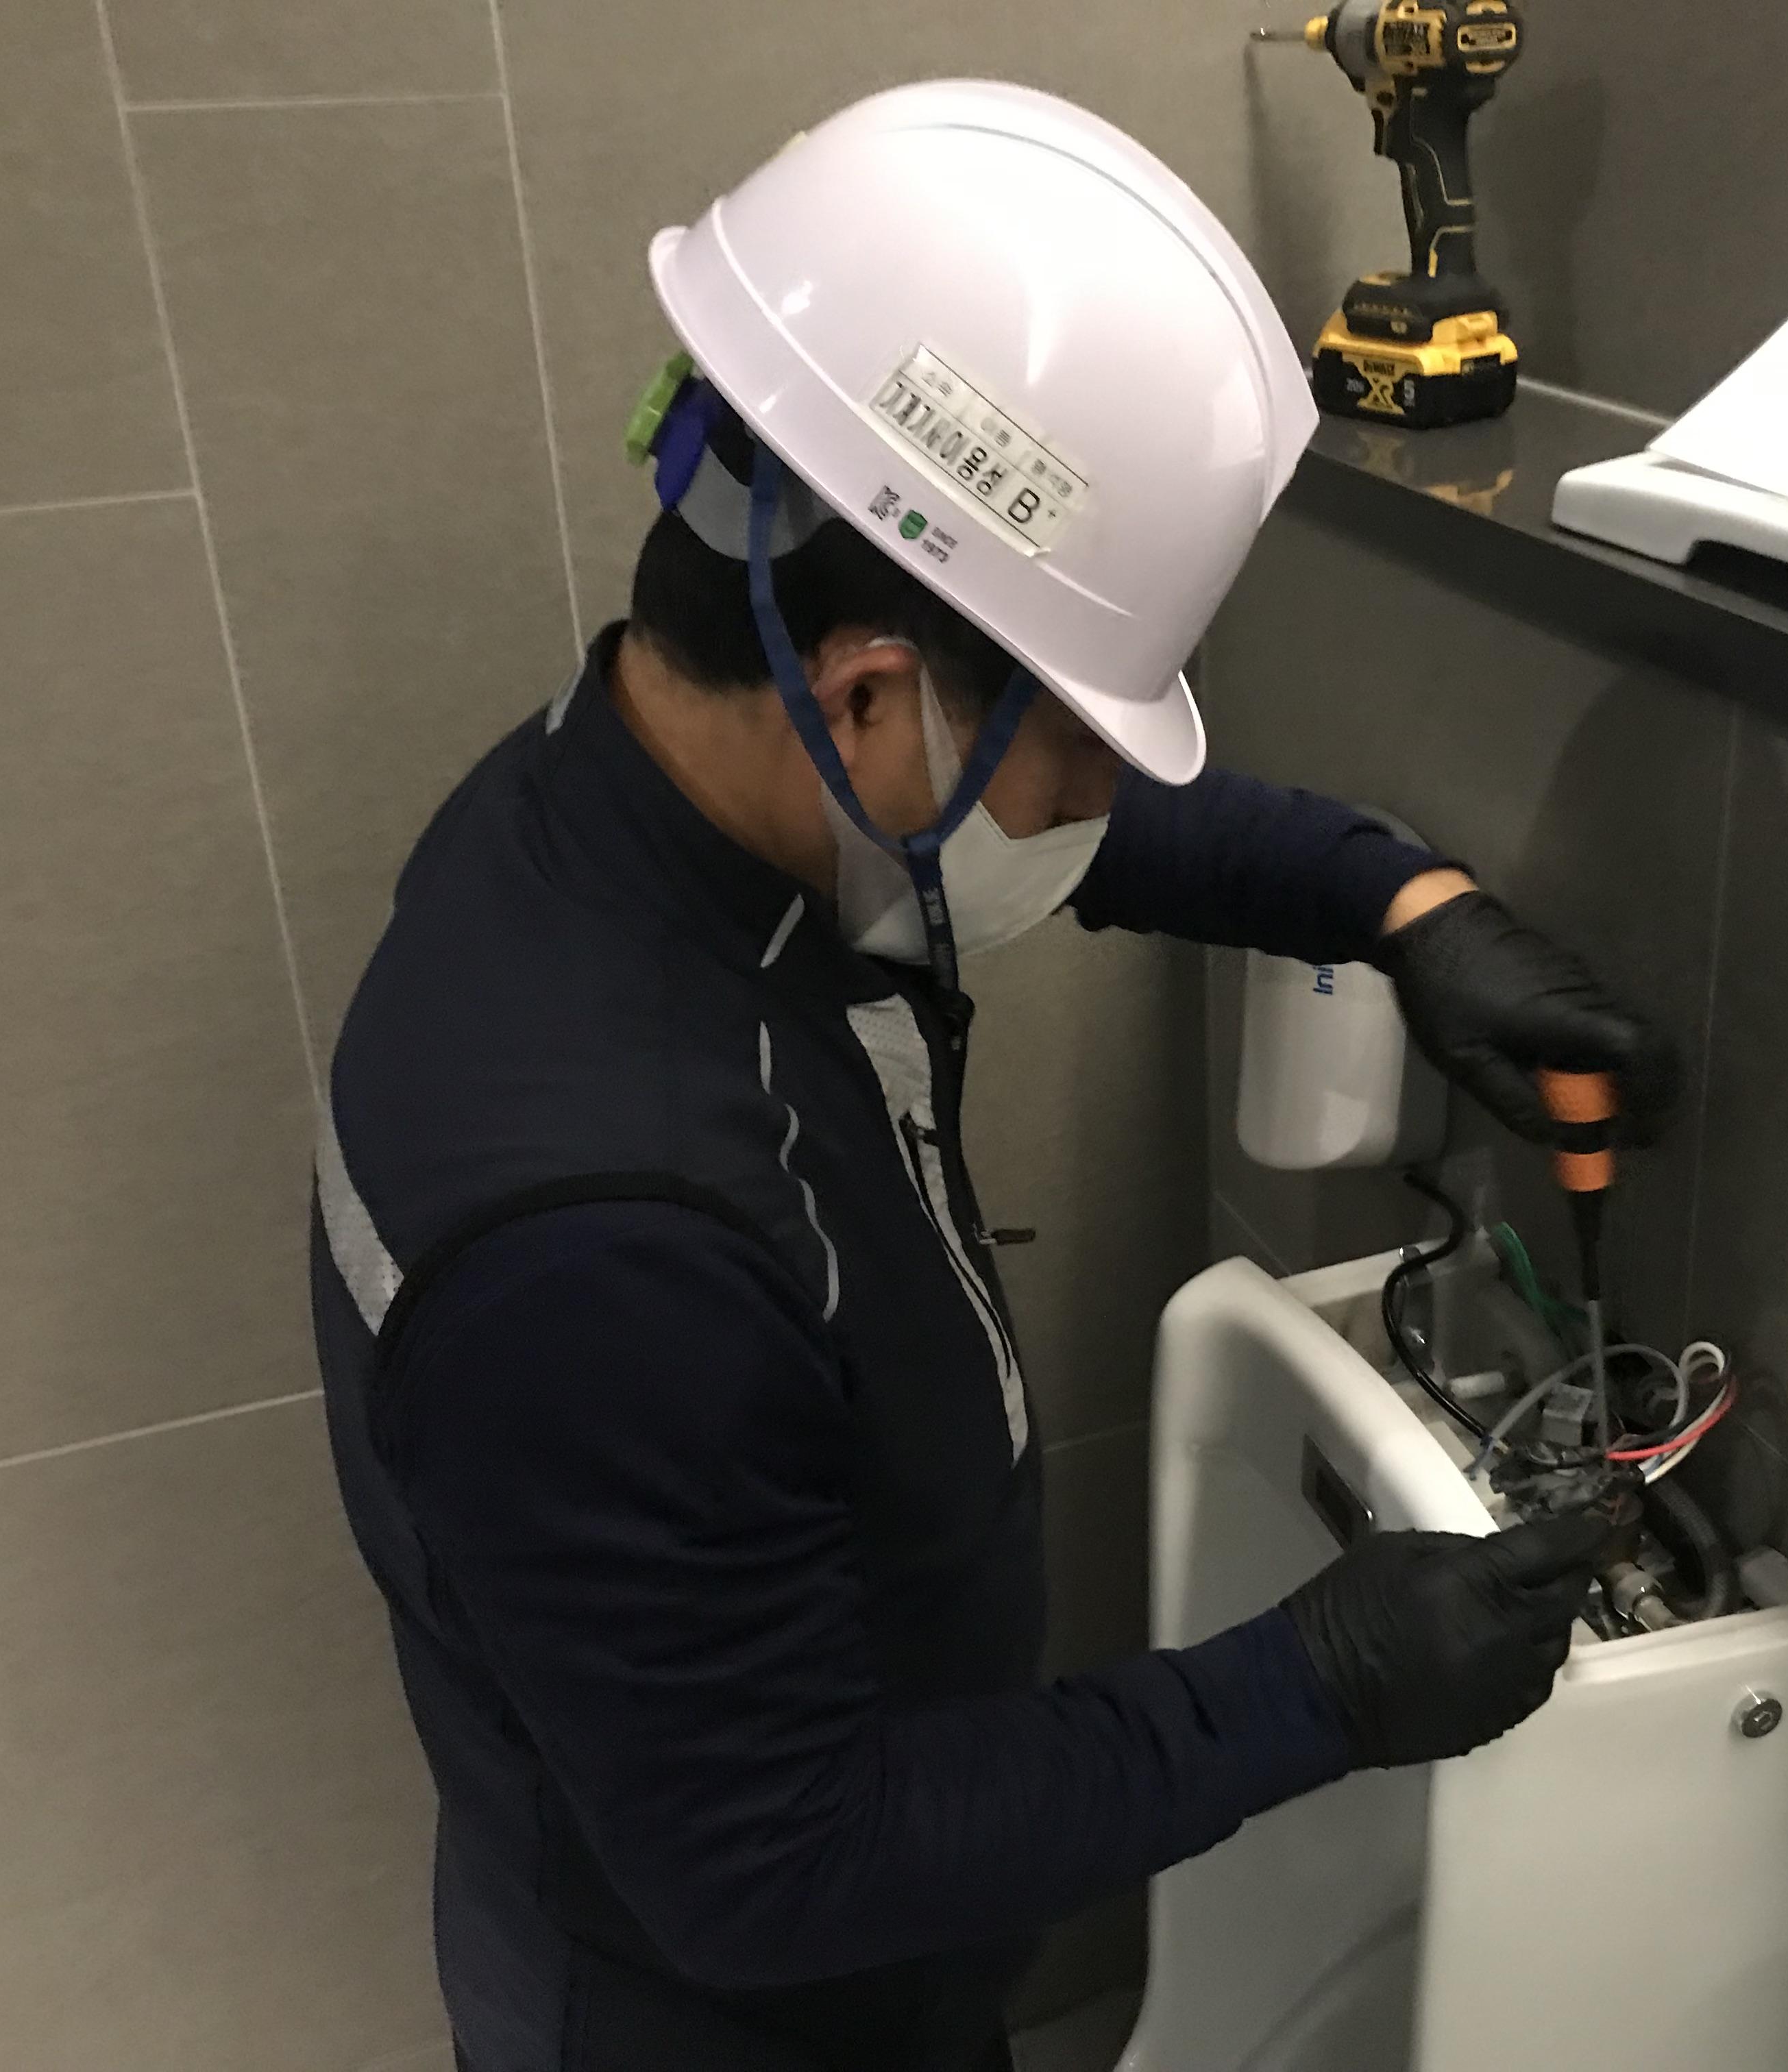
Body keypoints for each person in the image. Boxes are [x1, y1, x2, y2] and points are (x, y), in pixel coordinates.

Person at [310, 82, 1678, 2072]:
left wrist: (1390, 902)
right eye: (1083, 748)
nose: (1097, 806)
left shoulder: (613, 807)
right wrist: (1312, 1686)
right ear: (866, 693)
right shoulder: (605, 1243)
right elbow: (774, 1866)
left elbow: (1005, 814)